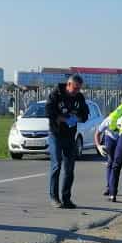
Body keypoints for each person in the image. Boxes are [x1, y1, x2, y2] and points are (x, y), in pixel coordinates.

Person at [47, 74, 89, 209]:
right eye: (75, 88)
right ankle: (54, 198)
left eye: (79, 89)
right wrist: (62, 118)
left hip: (71, 136)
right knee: (56, 165)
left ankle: (66, 198)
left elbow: (85, 115)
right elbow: (49, 111)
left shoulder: (79, 97)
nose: (77, 91)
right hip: (56, 135)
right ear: (68, 84)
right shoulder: (56, 94)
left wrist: (77, 117)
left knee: (69, 168)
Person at [94, 119, 122, 197]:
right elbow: (97, 134)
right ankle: (109, 187)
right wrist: (98, 146)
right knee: (111, 162)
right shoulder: (108, 120)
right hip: (110, 138)